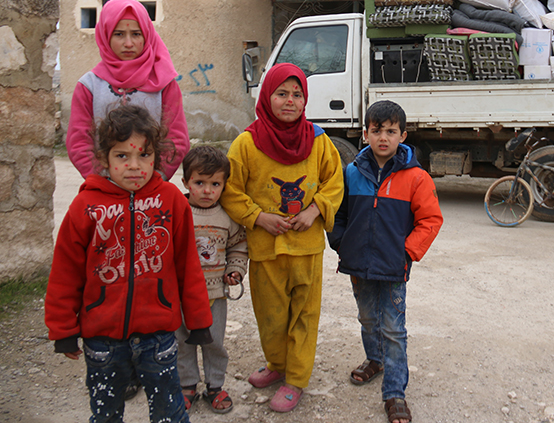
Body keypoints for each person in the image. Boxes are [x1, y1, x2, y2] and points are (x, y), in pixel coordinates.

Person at [44, 105, 213, 423]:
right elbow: (65, 272)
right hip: (103, 341)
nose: (135, 166)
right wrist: (63, 328)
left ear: (156, 157)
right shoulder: (86, 206)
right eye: (123, 156)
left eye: (144, 156)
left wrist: (199, 320)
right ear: (104, 158)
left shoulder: (171, 201)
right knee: (106, 415)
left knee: (170, 413)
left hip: (159, 337)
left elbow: (187, 265)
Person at [220, 62, 344, 413]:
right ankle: (277, 364)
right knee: (271, 315)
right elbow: (229, 189)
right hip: (265, 247)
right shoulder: (246, 144)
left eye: (297, 94)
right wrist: (259, 217)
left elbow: (334, 182)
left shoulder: (319, 142)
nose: (290, 101)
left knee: (305, 314)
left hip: (306, 248)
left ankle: (296, 379)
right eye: (281, 94)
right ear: (266, 96)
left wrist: (314, 210)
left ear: (306, 100)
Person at [327, 100, 443, 423]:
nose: (383, 137)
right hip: (358, 266)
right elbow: (339, 214)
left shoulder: (416, 178)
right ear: (365, 134)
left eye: (391, 131)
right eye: (376, 130)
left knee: (393, 328)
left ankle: (394, 392)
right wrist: (340, 243)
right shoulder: (351, 172)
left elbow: (431, 220)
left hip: (393, 269)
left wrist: (406, 253)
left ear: (402, 136)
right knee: (367, 318)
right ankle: (374, 359)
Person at [66, 0, 189, 181]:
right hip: (104, 189)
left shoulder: (164, 84)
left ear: (147, 35)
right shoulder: (89, 86)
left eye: (136, 34)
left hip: (151, 189)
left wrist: (154, 179)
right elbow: (78, 142)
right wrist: (103, 179)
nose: (129, 43)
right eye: (119, 34)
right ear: (105, 35)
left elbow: (177, 139)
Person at [176, 146, 249, 413]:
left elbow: (238, 247)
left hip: (215, 295)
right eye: (199, 183)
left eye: (215, 184)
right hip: (181, 295)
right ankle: (187, 385)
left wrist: (236, 270)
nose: (207, 191)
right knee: (182, 341)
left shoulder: (228, 217)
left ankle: (215, 386)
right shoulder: (177, 212)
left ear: (224, 185)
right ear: (185, 182)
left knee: (214, 342)